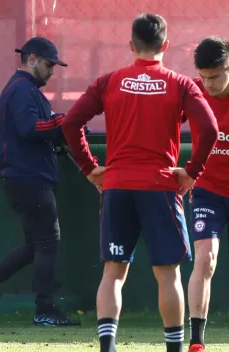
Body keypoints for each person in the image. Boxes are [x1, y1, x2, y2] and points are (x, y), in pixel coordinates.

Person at [61, 13, 218, 352]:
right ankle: (175, 347)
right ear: (166, 45)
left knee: (113, 272)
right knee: (168, 274)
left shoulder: (110, 81)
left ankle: (107, 346)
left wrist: (90, 168)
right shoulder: (180, 84)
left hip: (117, 187)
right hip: (160, 188)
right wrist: (192, 171)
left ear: (131, 45)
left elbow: (71, 122)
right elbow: (209, 129)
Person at [0, 36, 80, 327]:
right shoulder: (23, 90)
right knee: (48, 241)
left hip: (25, 177)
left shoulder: (26, 90)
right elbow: (30, 128)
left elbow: (37, 129)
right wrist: (64, 121)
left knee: (35, 245)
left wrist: (57, 130)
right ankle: (45, 309)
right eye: (50, 64)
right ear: (33, 60)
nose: (53, 71)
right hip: (29, 178)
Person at [185, 36, 229, 352]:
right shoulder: (192, 91)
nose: (208, 83)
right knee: (205, 258)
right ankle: (197, 342)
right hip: (208, 190)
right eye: (203, 76)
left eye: (215, 76)